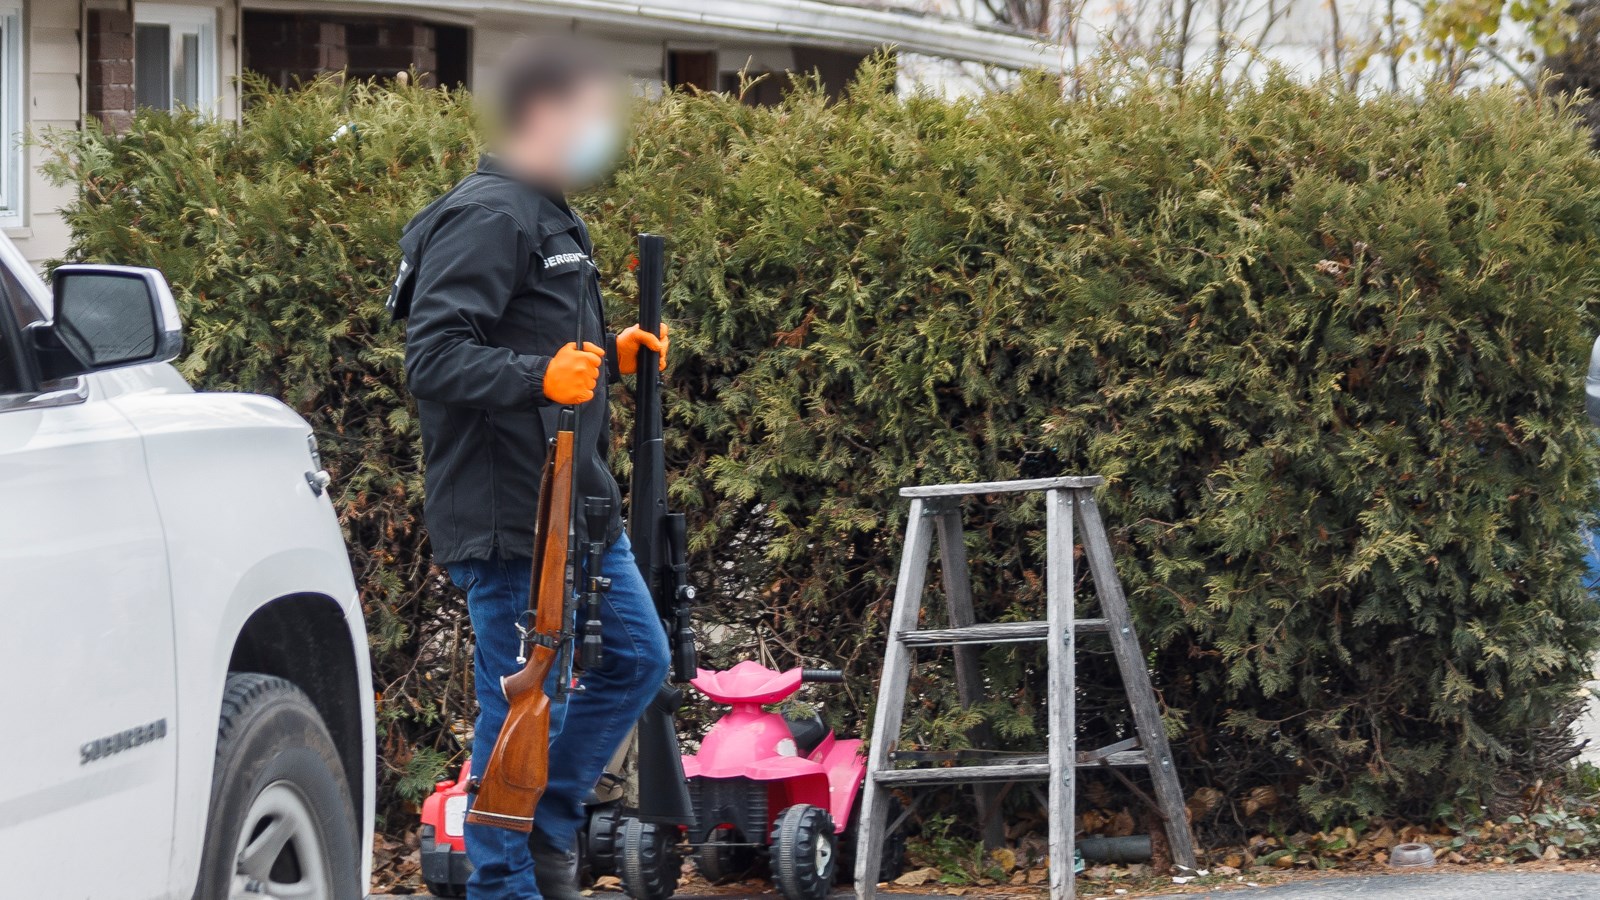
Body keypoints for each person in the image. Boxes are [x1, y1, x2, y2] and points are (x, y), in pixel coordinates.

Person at [400, 37, 670, 900]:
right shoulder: (490, 214)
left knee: (637, 657)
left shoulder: (546, 211)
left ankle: (546, 829)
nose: (603, 134)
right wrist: (535, 377)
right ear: (545, 115)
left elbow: (544, 346)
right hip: (512, 512)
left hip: (575, 503)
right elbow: (434, 356)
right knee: (513, 704)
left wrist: (609, 360)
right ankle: (501, 884)